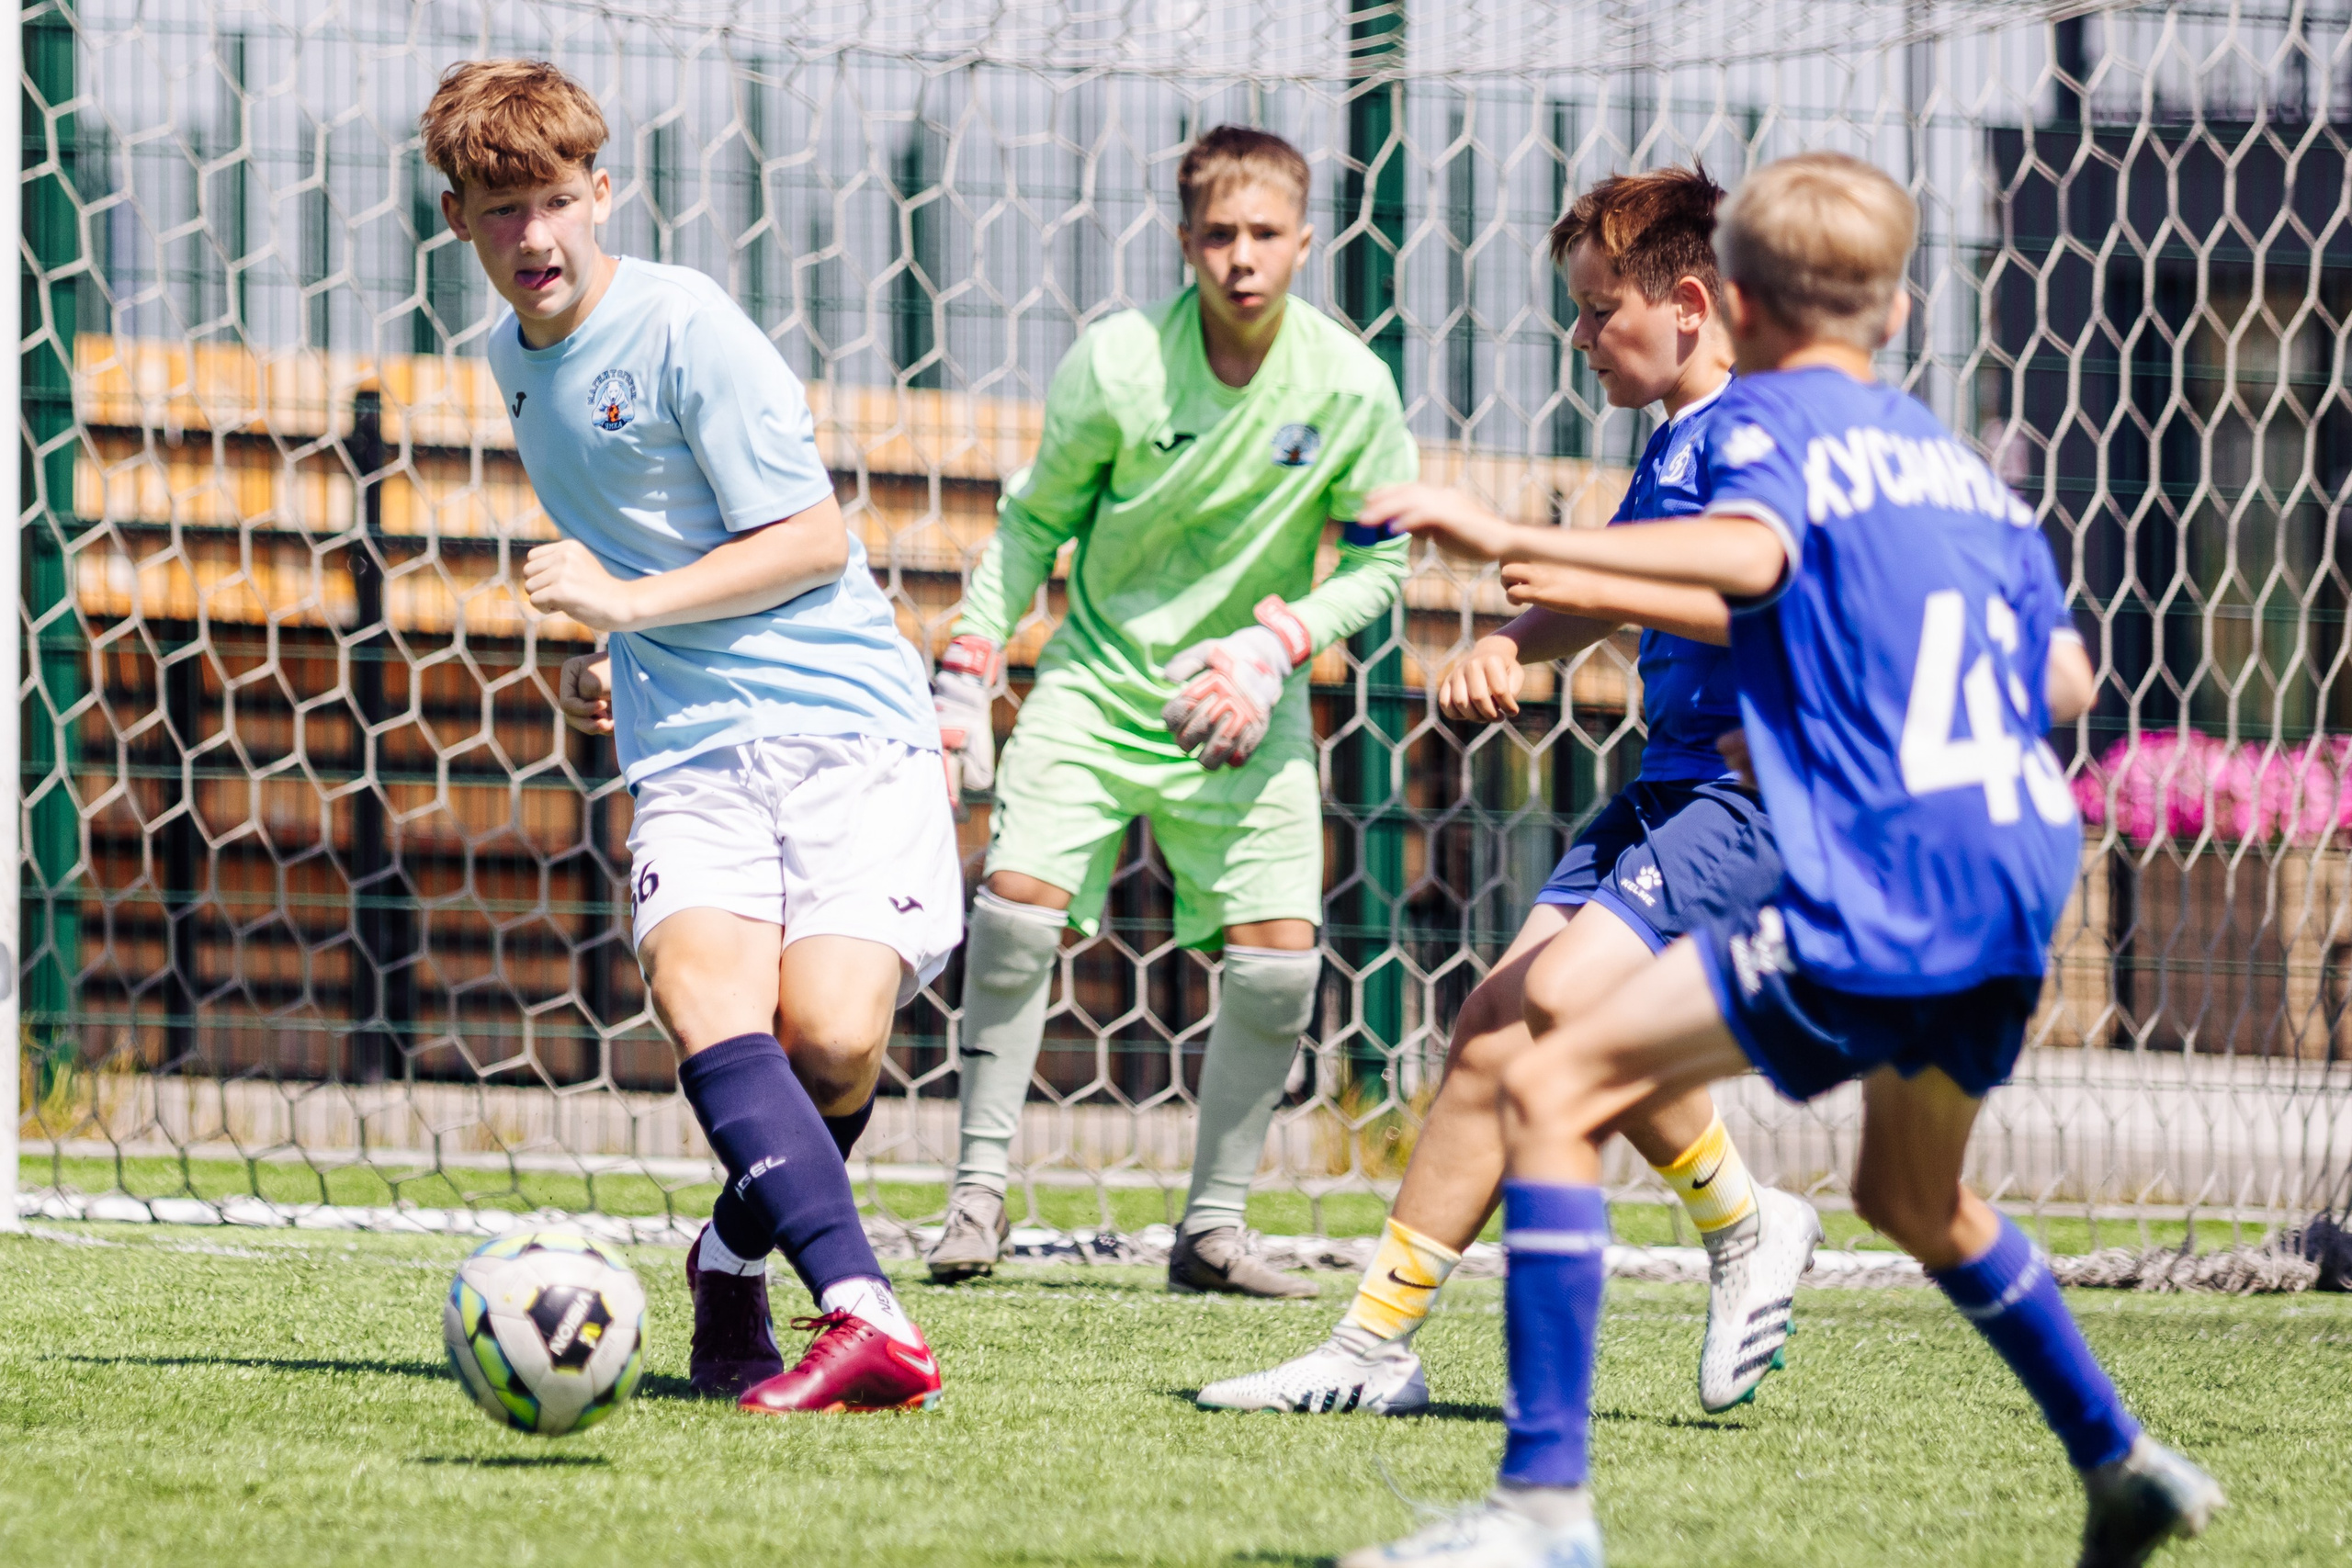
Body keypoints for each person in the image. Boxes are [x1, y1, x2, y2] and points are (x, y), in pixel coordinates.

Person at [1342, 152, 2222, 1568]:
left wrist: (1513, 540)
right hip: (2016, 866)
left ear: (1734, 308)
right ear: (1898, 308)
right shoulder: (1958, 467)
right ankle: (2124, 1461)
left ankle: (1542, 1509)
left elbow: (1751, 556)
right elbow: (2065, 677)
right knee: (1913, 1196)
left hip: (1884, 864)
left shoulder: (1763, 423)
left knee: (1556, 1074)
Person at [1195, 166, 1817, 1418]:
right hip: (1670, 785)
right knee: (1490, 1026)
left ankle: (1747, 1223)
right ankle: (1372, 1348)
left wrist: (1569, 574)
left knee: (1572, 998)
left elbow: (1763, 599)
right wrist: (1514, 641)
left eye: (1598, 311)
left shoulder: (1758, 432)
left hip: (1754, 792)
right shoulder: (1677, 435)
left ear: (1690, 304)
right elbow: (1613, 588)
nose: (1579, 337)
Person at [422, 60, 962, 1414]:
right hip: (692, 748)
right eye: (502, 211)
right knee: (704, 996)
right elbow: (649, 553)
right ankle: (866, 1313)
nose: (534, 236)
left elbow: (813, 540)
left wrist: (625, 605)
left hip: (843, 722)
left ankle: (729, 1257)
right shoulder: (511, 361)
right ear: (457, 220)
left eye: (555, 201)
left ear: (602, 193)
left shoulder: (688, 326)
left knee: (832, 1039)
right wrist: (615, 656)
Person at [923, 126, 1417, 1296]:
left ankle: (1213, 1231)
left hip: (1242, 701)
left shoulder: (1351, 387)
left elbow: (1382, 562)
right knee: (1014, 911)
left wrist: (1274, 647)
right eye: (1219, 234)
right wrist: (968, 668)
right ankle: (976, 1195)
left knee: (1281, 965)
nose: (1242, 257)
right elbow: (1034, 525)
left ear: (1306, 241)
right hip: (1095, 685)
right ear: (1185, 240)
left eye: (1265, 234)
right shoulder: (1118, 364)